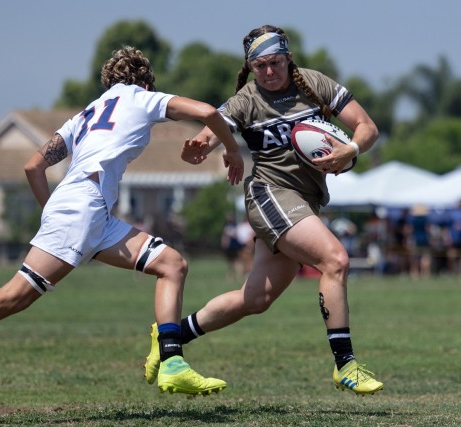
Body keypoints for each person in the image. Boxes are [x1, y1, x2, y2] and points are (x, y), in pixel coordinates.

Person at [0, 46, 245, 406]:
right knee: (16, 295)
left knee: (171, 264)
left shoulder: (85, 114)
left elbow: (33, 166)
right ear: (144, 80)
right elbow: (207, 111)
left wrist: (54, 214)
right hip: (84, 209)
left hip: (87, 212)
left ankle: (171, 358)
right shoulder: (142, 98)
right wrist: (232, 151)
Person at [144, 25, 383, 395]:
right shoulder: (246, 100)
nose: (269, 72)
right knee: (335, 260)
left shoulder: (314, 85)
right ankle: (345, 365)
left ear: (288, 58)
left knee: (255, 299)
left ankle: (169, 337)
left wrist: (352, 148)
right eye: (260, 66)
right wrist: (200, 146)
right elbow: (213, 129)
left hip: (305, 202)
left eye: (275, 63)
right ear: (250, 67)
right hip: (269, 195)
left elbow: (366, 127)